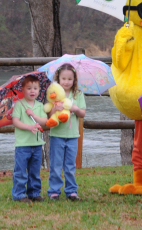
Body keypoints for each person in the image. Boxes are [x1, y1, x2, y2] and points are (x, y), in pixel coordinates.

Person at [47, 64, 86, 201]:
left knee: (70, 165)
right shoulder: (54, 95)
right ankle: (54, 191)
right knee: (56, 165)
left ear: (74, 79)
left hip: (73, 136)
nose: (66, 82)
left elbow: (82, 113)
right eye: (63, 78)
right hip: (57, 135)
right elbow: (49, 115)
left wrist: (75, 108)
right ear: (58, 79)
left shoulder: (78, 94)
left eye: (69, 79)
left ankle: (71, 191)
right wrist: (55, 109)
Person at [11, 75, 48, 203]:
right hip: (23, 145)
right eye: (29, 88)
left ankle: (34, 192)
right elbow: (15, 122)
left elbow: (45, 121)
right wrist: (29, 127)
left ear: (39, 90)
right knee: (20, 171)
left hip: (37, 144)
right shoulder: (19, 105)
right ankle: (19, 194)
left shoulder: (39, 105)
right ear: (22, 89)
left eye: (35, 88)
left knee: (34, 171)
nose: (32, 91)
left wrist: (33, 115)